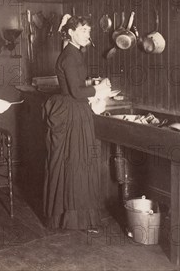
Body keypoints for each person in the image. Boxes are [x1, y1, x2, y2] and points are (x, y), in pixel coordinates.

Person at [43, 15, 112, 231]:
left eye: (89, 31)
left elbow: (76, 84)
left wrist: (93, 83)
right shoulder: (70, 56)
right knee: (77, 164)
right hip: (73, 114)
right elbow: (76, 91)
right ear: (71, 32)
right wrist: (98, 89)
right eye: (84, 30)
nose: (88, 35)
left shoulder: (74, 53)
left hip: (76, 111)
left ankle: (74, 218)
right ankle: (74, 219)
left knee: (77, 164)